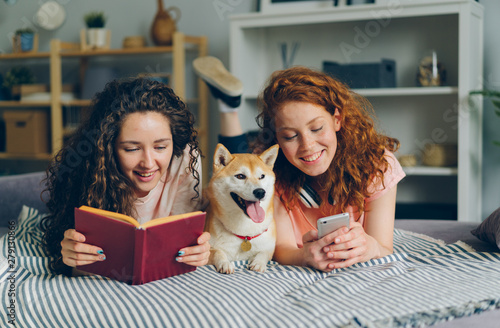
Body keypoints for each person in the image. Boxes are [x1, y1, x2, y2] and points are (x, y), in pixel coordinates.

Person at [194, 60, 405, 272]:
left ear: (337, 119)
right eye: (290, 136)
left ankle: (229, 106)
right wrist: (304, 255)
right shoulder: (268, 175)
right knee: (237, 161)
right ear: (277, 137)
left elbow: (384, 247)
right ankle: (229, 108)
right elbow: (282, 248)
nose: (308, 146)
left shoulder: (377, 166)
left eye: (317, 128)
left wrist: (371, 247)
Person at [41, 78, 211, 276]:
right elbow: (85, 261)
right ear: (108, 149)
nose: (148, 163)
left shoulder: (185, 158)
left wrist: (198, 251)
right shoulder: (93, 172)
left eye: (161, 147)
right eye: (131, 149)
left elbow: (184, 241)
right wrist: (71, 258)